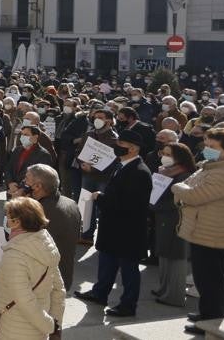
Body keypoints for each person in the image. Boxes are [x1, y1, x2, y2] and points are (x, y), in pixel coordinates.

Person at [171, 127, 224, 334]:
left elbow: (193, 195)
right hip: (204, 230)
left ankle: (211, 323)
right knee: (208, 280)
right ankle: (208, 314)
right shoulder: (211, 167)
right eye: (207, 145)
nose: (208, 150)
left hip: (213, 234)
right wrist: (184, 190)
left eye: (213, 147)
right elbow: (189, 186)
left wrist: (178, 189)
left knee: (210, 282)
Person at [73, 128, 153, 317]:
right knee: (106, 263)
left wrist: (100, 197)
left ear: (133, 149)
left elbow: (127, 204)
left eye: (121, 145)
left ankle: (128, 305)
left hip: (127, 230)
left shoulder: (140, 172)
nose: (117, 148)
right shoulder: (123, 165)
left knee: (129, 270)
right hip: (113, 227)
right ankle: (100, 293)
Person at [0, 197, 65, 340]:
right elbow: (59, 290)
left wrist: (50, 326)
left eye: (8, 218)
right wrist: (55, 326)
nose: (6, 222)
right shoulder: (46, 246)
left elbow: (25, 300)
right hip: (38, 331)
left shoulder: (14, 256)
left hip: (14, 329)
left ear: (17, 222)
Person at [22, 164, 81, 293]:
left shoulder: (37, 212)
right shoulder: (71, 203)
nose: (23, 182)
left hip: (42, 282)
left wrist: (17, 206)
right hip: (63, 276)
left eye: (26, 179)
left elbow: (17, 238)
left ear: (37, 186)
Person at [151, 142, 195, 308]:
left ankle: (174, 295)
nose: (165, 156)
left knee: (176, 257)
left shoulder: (184, 175)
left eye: (169, 154)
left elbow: (178, 202)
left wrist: (155, 206)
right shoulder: (165, 172)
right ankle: (164, 289)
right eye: (164, 153)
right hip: (163, 219)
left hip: (176, 220)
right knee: (164, 255)